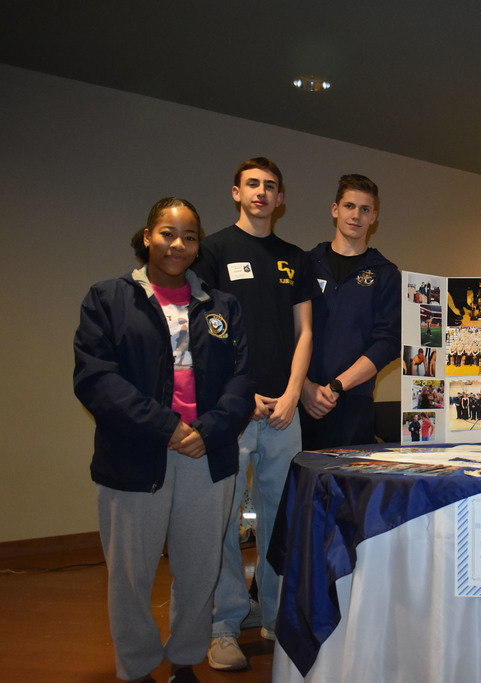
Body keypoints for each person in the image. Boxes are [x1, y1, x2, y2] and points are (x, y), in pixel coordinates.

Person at [74, 198, 254, 683]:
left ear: (198, 246)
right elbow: (96, 380)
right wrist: (166, 427)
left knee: (199, 572)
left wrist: (208, 431)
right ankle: (136, 668)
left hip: (206, 457)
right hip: (135, 458)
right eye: (168, 233)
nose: (178, 244)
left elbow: (242, 381)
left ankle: (184, 661)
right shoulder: (108, 299)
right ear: (148, 236)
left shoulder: (223, 306)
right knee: (130, 579)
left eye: (189, 236)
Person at [191, 158, 320, 671]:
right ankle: (223, 624)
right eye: (252, 185)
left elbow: (304, 332)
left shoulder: (295, 257)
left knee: (280, 515)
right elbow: (205, 333)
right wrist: (239, 399)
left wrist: (291, 394)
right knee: (223, 518)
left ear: (281, 197)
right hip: (230, 410)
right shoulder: (214, 251)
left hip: (284, 410)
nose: (261, 193)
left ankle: (272, 613)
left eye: (270, 186)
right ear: (236, 192)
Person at [299, 174, 400, 449]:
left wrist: (336, 387)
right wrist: (305, 387)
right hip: (299, 402)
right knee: (298, 489)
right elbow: (287, 334)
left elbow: (388, 344)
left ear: (374, 217)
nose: (356, 215)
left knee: (349, 490)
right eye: (349, 206)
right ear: (335, 210)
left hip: (354, 405)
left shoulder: (386, 273)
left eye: (364, 209)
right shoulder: (305, 265)